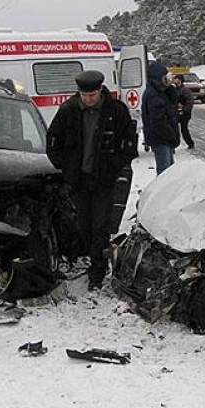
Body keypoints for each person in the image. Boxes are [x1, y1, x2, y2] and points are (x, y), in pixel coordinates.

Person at [46, 70, 138, 291]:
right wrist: (65, 166)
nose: (88, 99)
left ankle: (98, 269)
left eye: (92, 95)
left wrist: (113, 167)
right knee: (82, 224)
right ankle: (86, 257)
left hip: (103, 180)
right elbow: (53, 141)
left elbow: (128, 145)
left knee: (100, 226)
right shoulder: (68, 111)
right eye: (84, 95)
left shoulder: (116, 111)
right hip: (77, 180)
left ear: (100, 91)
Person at [142, 62, 180, 174]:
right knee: (165, 173)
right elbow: (158, 121)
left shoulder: (160, 91)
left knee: (170, 172)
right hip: (161, 139)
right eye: (165, 77)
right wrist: (171, 135)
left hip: (164, 139)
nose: (167, 79)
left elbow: (173, 100)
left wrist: (169, 88)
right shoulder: (153, 94)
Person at [173, 74, 195, 149]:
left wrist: (184, 110)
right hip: (178, 112)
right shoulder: (176, 89)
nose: (174, 80)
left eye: (176, 78)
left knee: (184, 129)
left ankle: (190, 143)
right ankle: (174, 143)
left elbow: (190, 102)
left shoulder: (185, 90)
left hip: (185, 114)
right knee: (174, 126)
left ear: (180, 80)